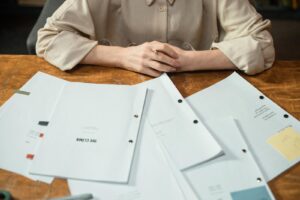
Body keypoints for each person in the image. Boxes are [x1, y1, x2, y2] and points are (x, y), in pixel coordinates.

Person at [36, 0, 275, 77]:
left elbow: (262, 45)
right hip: (120, 92)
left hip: (199, 93)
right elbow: (49, 39)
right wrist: (123, 57)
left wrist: (189, 61)